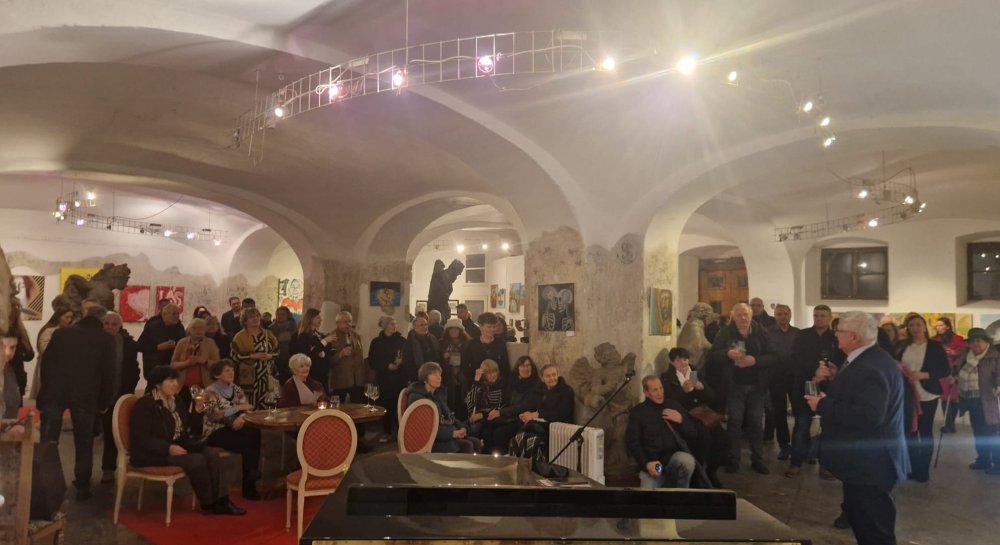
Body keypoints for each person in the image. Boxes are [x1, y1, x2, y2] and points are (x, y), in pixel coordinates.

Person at [806, 311, 908, 545]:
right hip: (864, 461)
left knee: (874, 531)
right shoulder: (869, 358)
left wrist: (822, 405)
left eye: (839, 331)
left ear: (854, 337)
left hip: (871, 463)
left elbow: (869, 416)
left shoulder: (870, 367)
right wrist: (836, 377)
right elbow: (857, 394)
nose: (836, 335)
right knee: (863, 522)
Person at [129, 366, 246, 515]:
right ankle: (209, 503)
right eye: (170, 380)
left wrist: (197, 409)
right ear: (158, 384)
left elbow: (190, 426)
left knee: (211, 454)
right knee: (196, 460)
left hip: (180, 444)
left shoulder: (176, 400)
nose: (175, 384)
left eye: (176, 380)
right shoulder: (146, 404)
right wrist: (168, 448)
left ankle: (223, 501)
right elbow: (142, 438)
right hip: (153, 453)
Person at [37, 305, 115, 500]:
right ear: (102, 320)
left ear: (85, 315)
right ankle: (82, 485)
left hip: (55, 392)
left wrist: (44, 393)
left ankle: (43, 484)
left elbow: (46, 364)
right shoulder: (106, 339)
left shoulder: (61, 334)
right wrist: (104, 401)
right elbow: (108, 373)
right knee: (83, 442)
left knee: (48, 441)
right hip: (86, 396)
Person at [707, 302, 775, 474]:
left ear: (751, 316)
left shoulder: (761, 332)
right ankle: (733, 459)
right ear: (733, 316)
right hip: (735, 385)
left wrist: (755, 361)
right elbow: (713, 355)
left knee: (756, 422)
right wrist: (727, 354)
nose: (743, 318)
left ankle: (758, 459)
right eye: (739, 315)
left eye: (746, 314)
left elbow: (773, 356)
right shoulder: (725, 332)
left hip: (757, 386)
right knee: (734, 422)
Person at [786, 305, 841, 478]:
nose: (819, 318)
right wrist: (814, 371)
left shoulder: (836, 337)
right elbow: (795, 357)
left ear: (829, 317)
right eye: (816, 315)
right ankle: (796, 462)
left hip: (829, 386)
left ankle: (826, 464)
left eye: (823, 315)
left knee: (829, 427)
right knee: (801, 425)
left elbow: (841, 358)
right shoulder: (802, 335)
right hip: (805, 384)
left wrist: (831, 372)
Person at [895, 313, 949, 482]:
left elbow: (945, 370)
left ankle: (923, 470)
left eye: (918, 324)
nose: (915, 328)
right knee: (910, 432)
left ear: (925, 327)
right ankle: (911, 467)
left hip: (927, 394)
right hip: (906, 394)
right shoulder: (902, 345)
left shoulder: (934, 346)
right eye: (911, 325)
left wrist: (924, 375)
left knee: (925, 431)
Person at [202, 360, 263, 500]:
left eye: (232, 370)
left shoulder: (237, 389)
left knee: (254, 433)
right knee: (249, 443)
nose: (231, 373)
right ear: (217, 375)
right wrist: (237, 410)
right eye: (227, 371)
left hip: (236, 427)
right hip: (215, 431)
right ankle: (250, 483)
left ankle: (251, 475)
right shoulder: (209, 392)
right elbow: (214, 414)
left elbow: (247, 409)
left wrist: (241, 418)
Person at [627, 376, 698, 488]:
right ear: (646, 392)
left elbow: (693, 434)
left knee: (687, 461)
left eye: (661, 388)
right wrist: (646, 464)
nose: (660, 393)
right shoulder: (638, 413)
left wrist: (681, 420)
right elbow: (633, 443)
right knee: (647, 493)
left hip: (673, 462)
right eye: (655, 390)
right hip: (655, 465)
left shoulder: (674, 406)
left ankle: (681, 494)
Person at [100, 311, 141, 484]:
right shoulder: (95, 342)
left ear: (120, 326)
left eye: (114, 324)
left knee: (113, 433)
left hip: (118, 394)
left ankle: (110, 468)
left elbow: (133, 369)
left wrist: (126, 391)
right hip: (98, 396)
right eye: (106, 323)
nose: (110, 327)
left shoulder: (127, 344)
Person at [405, 362, 481, 453]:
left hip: (444, 433)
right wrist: (452, 433)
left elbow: (449, 416)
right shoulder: (417, 398)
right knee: (467, 445)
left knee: (476, 442)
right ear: (425, 379)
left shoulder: (438, 394)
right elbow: (425, 428)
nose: (439, 377)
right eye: (434, 375)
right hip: (430, 439)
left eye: (439, 375)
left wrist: (463, 428)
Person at [953, 328, 1000, 473]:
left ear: (986, 342)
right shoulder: (966, 355)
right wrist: (954, 376)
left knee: (991, 432)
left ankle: (998, 464)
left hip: (988, 400)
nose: (975, 344)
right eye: (972, 341)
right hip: (970, 399)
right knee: (978, 431)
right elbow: (957, 368)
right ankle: (983, 460)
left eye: (978, 340)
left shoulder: (995, 356)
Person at [764, 304, 798, 459]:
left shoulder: (798, 333)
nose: (783, 316)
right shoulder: (767, 333)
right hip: (775, 377)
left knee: (799, 412)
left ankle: (799, 445)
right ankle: (784, 445)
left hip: (794, 377)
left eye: (785, 313)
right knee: (779, 412)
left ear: (790, 315)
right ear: (775, 315)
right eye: (779, 314)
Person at [461, 313, 511, 415]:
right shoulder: (472, 344)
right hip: (477, 386)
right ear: (481, 326)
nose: (492, 330)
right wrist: (472, 385)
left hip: (496, 387)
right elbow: (465, 366)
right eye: (489, 327)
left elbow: (505, 367)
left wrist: (503, 385)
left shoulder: (500, 344)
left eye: (494, 327)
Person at [230, 307, 279, 409]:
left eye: (257, 316)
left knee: (268, 404)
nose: (255, 319)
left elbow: (277, 351)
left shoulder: (268, 334)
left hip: (267, 375)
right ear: (245, 321)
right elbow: (234, 356)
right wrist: (251, 356)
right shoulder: (239, 337)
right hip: (248, 376)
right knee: (250, 405)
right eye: (251, 317)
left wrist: (270, 356)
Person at [367, 316, 406, 441]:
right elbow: (372, 361)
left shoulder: (402, 341)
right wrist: (386, 366)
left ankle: (402, 432)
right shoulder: (376, 342)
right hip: (384, 379)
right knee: (386, 406)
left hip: (400, 378)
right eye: (391, 324)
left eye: (395, 323)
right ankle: (387, 432)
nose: (395, 326)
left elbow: (408, 356)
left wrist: (401, 362)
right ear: (385, 326)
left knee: (400, 405)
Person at [492, 356, 542, 453]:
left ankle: (504, 459)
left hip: (522, 419)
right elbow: (506, 402)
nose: (525, 368)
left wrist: (500, 413)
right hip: (509, 416)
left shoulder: (536, 386)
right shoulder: (513, 381)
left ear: (532, 368)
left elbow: (523, 407)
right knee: (487, 427)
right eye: (522, 366)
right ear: (517, 368)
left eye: (528, 365)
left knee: (500, 433)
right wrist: (496, 411)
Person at [31, 306, 74, 399]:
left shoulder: (68, 331)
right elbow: (44, 349)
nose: (69, 320)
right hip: (49, 367)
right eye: (67, 317)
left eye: (71, 317)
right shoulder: (49, 331)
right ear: (58, 317)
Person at [465, 359, 507, 451]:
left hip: (495, 417)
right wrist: (476, 380)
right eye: (488, 373)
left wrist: (482, 415)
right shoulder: (480, 385)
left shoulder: (502, 384)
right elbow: (471, 402)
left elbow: (502, 405)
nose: (492, 375)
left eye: (494, 372)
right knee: (469, 429)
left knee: (478, 429)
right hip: (479, 417)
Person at [933, 317, 966, 434]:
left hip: (955, 370)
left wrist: (954, 353)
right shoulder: (935, 340)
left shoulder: (958, 339)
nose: (938, 327)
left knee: (954, 398)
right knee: (944, 397)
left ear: (947, 326)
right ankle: (949, 424)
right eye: (937, 325)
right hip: (942, 371)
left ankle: (951, 424)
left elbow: (964, 353)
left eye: (941, 325)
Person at [137, 303, 186, 380]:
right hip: (154, 368)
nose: (177, 316)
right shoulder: (152, 327)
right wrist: (158, 347)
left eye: (178, 313)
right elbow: (139, 346)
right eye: (173, 314)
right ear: (164, 314)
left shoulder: (179, 327)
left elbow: (184, 343)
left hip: (172, 367)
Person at [293, 308, 337, 392]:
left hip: (323, 371)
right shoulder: (303, 336)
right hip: (312, 372)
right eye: (318, 317)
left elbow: (323, 349)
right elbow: (308, 352)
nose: (321, 319)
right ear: (310, 319)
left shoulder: (319, 335)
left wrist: (330, 349)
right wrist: (324, 342)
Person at [170, 317, 220, 390]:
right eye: (195, 328)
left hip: (205, 386)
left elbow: (218, 365)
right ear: (190, 329)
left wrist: (205, 362)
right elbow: (173, 365)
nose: (198, 331)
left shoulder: (210, 343)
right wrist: (186, 363)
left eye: (201, 328)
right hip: (183, 386)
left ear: (205, 330)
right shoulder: (182, 342)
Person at [2, 302, 33, 417]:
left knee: (12, 404)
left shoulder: (20, 331)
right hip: (8, 370)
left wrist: (18, 353)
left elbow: (30, 355)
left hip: (16, 372)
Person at [329, 311, 366, 404]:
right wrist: (341, 354)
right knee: (337, 408)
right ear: (337, 323)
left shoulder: (356, 336)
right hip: (341, 380)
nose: (349, 324)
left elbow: (360, 356)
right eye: (345, 322)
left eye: (350, 321)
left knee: (358, 407)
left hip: (357, 379)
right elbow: (329, 359)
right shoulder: (331, 337)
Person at [403, 314, 441, 393]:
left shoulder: (433, 338)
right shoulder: (410, 342)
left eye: (426, 324)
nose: (425, 327)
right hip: (418, 378)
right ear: (414, 327)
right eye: (421, 325)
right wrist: (421, 376)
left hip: (434, 376)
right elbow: (408, 363)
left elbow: (438, 356)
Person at [440, 318, 470, 415]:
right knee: (449, 402)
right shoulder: (442, 343)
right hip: (447, 377)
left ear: (460, 331)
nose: (453, 331)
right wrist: (444, 357)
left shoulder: (468, 343)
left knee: (463, 402)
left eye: (455, 329)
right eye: (450, 329)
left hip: (463, 377)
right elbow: (438, 360)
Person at [270, 306, 297, 384]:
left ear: (287, 315)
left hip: (290, 357)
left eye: (283, 314)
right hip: (276, 358)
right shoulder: (270, 328)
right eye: (278, 314)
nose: (280, 316)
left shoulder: (293, 328)